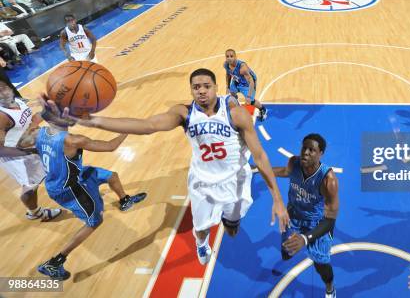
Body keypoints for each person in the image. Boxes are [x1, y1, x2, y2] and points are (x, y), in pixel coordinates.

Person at [43, 68, 289, 265]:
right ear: (191, 90)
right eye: (196, 87)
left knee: (233, 222)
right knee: (201, 227)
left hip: (236, 181)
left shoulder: (236, 115)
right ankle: (201, 243)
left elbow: (261, 157)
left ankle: (230, 220)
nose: (201, 91)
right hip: (203, 183)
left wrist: (277, 199)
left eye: (206, 86)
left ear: (216, 88)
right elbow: (148, 125)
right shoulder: (184, 113)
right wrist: (93, 121)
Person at [17, 109, 147, 280]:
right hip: (69, 189)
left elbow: (20, 143)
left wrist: (40, 140)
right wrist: (127, 130)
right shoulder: (73, 140)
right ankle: (55, 262)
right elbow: (110, 146)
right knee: (95, 221)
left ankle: (124, 200)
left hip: (69, 177)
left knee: (111, 175)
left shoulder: (38, 133)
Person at [272, 133, 339, 298]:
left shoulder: (328, 180)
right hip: (293, 215)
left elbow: (330, 221)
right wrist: (258, 169)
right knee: (286, 254)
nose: (306, 152)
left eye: (312, 150)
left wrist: (305, 238)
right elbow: (284, 171)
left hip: (316, 224)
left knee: (321, 266)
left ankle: (330, 288)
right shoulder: (293, 162)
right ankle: (294, 245)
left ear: (320, 153)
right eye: (304, 148)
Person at [0, 81, 62, 221]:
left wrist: (47, 110)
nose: (3, 92)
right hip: (14, 155)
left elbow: (31, 120)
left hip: (29, 145)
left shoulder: (18, 101)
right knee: (29, 186)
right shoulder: (2, 116)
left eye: (3, 87)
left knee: (53, 165)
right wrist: (28, 153)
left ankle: (72, 186)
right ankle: (35, 213)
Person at [224, 49, 267, 121]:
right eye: (227, 56)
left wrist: (249, 97)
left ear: (235, 57)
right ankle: (236, 109)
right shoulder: (226, 65)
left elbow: (251, 82)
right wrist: (227, 87)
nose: (229, 58)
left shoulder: (242, 67)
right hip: (237, 79)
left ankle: (262, 109)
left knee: (251, 101)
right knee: (231, 95)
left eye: (231, 56)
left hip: (247, 83)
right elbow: (228, 75)